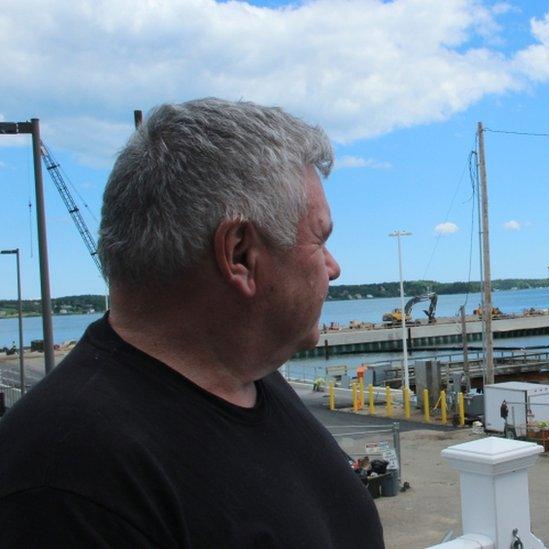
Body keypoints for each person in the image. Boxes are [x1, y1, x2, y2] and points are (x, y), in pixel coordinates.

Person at [0, 99, 384, 547]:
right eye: (320, 240)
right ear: (240, 255)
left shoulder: (249, 379)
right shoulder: (66, 485)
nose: (333, 268)